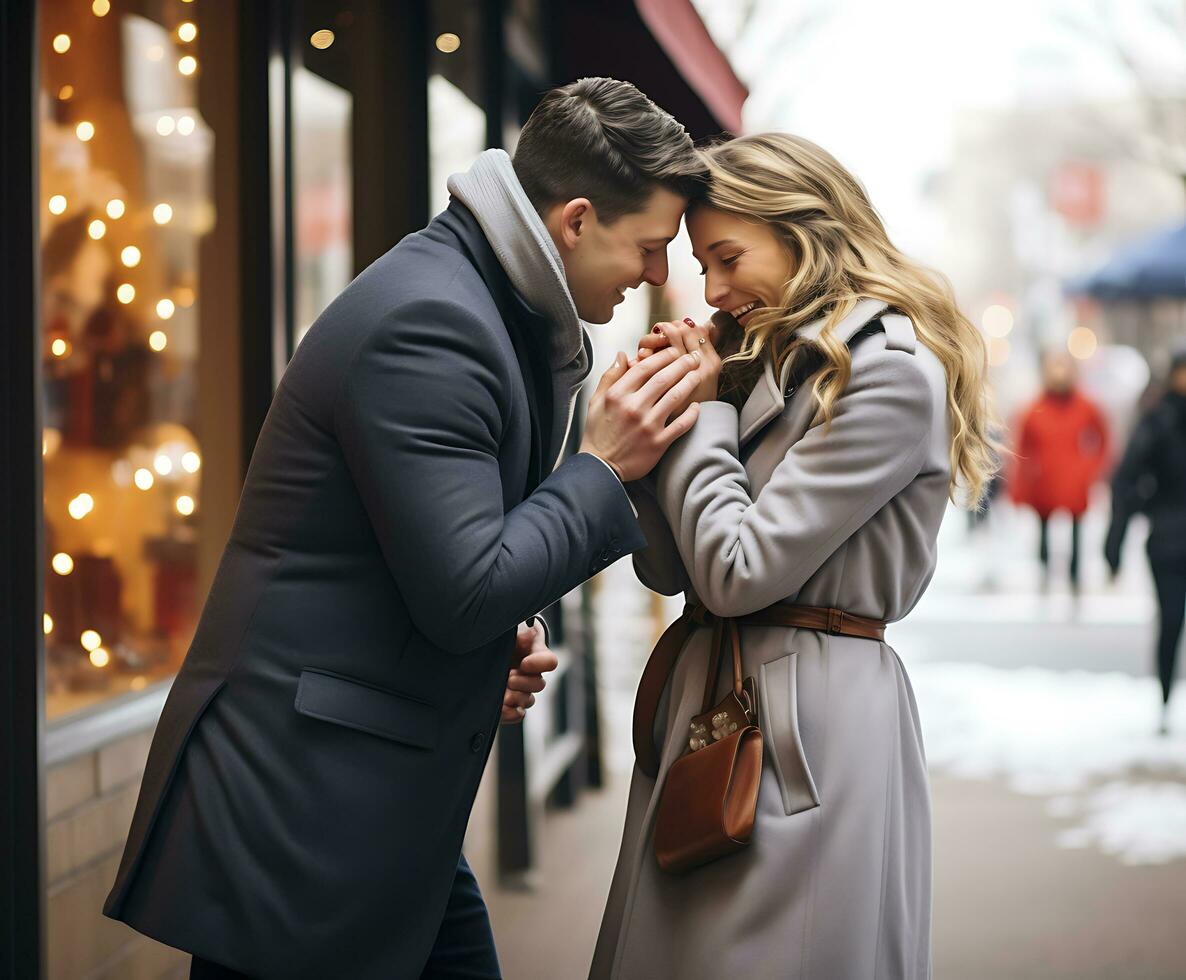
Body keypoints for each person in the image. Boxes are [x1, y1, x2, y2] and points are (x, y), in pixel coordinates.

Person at [103, 78, 709, 979]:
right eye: (651, 247)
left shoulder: (487, 304)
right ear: (576, 220)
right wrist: (601, 467)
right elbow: (464, 593)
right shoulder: (436, 321)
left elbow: (442, 565)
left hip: (364, 804)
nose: (658, 275)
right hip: (302, 816)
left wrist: (489, 650)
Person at [592, 133, 997, 979]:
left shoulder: (886, 373)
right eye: (702, 265)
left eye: (727, 256)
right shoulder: (761, 360)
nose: (713, 288)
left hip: (809, 719)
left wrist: (702, 422)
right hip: (723, 699)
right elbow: (672, 571)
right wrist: (649, 434)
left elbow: (736, 572)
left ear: (803, 228)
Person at [1105, 348, 1186, 735]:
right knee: (1170, 622)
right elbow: (1126, 481)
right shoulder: (1158, 421)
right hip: (1169, 542)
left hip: (1167, 536)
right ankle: (1165, 702)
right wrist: (1115, 542)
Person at [1008, 351, 1109, 592]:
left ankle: (1074, 574)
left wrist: (1090, 468)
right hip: (1045, 481)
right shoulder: (1034, 408)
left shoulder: (1086, 406)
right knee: (1043, 529)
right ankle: (1044, 569)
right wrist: (1023, 481)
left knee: (1077, 530)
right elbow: (1022, 447)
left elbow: (1103, 440)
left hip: (1074, 480)